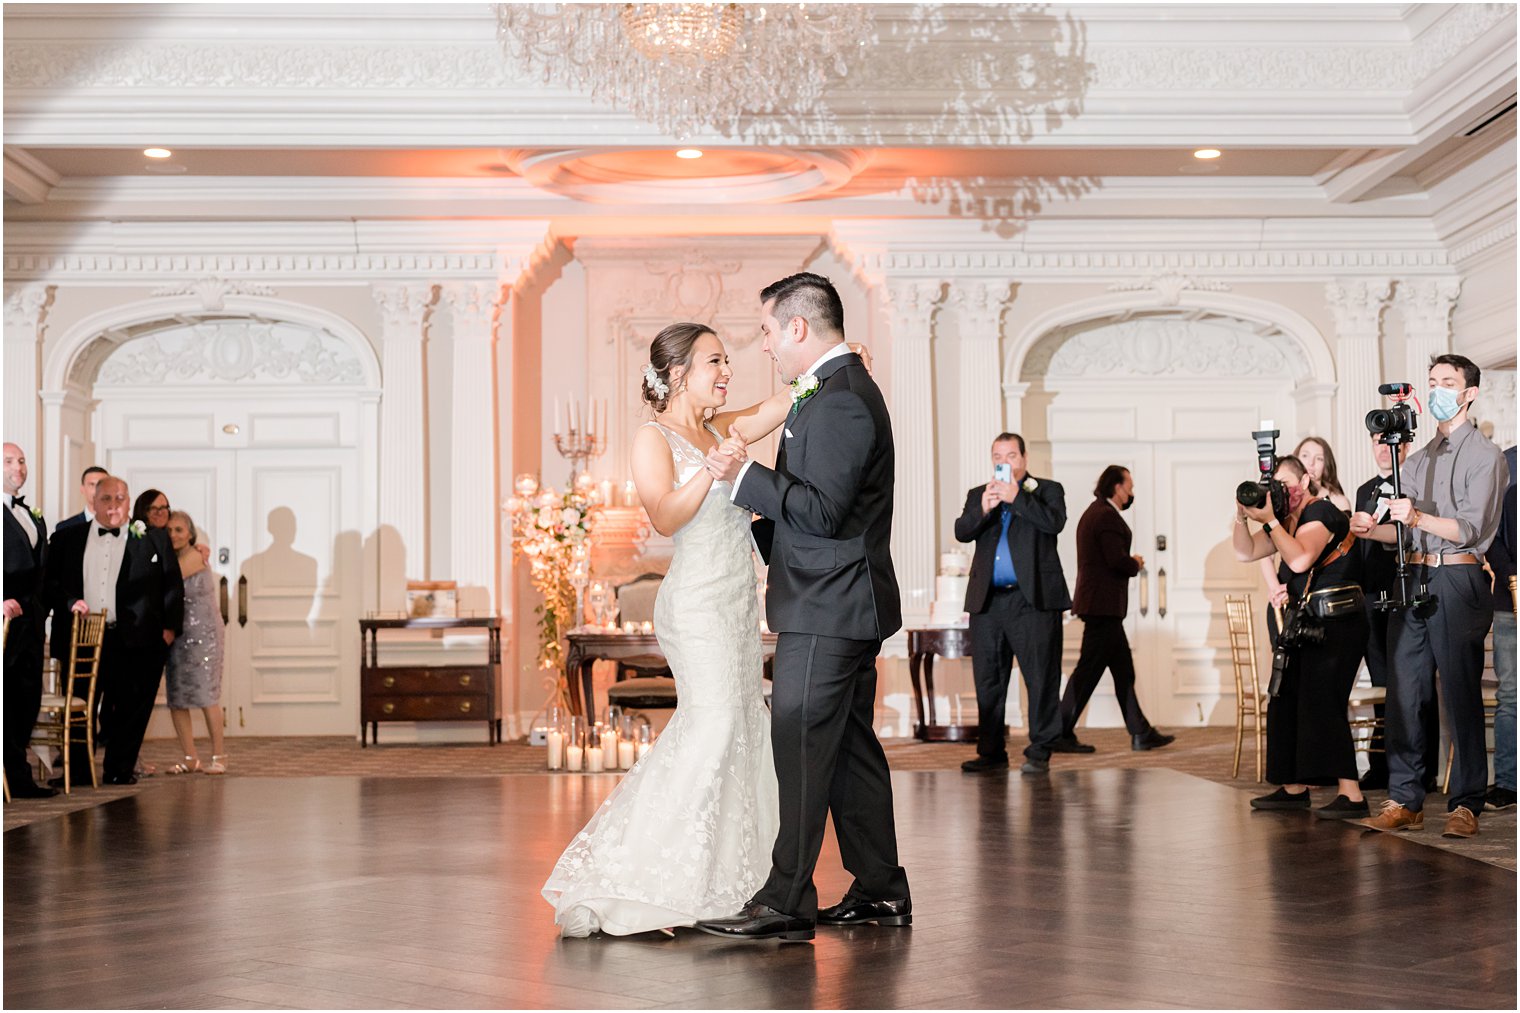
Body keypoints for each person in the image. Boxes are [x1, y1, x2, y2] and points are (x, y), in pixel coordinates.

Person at [542, 322, 791, 938]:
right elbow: (662, 514)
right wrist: (712, 470)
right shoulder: (653, 438)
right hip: (697, 605)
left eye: (728, 360)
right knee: (714, 725)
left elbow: (773, 408)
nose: (727, 370)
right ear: (679, 372)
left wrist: (831, 366)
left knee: (744, 726)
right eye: (715, 361)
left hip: (737, 603)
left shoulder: (715, 428)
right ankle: (630, 877)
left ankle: (728, 880)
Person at [697, 272, 910, 942]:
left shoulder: (843, 399)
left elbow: (823, 511)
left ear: (797, 327)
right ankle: (880, 889)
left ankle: (787, 897)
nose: (762, 346)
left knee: (797, 740)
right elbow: (818, 510)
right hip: (836, 598)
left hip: (830, 606)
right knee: (848, 749)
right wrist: (762, 517)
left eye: (765, 331)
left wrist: (743, 478)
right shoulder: (828, 391)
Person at [1351, 354, 1508, 838]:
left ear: (1469, 393)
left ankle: (1466, 804)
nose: (1438, 389)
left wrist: (1414, 518)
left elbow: (1468, 528)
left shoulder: (1487, 456)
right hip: (1412, 578)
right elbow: (1402, 530)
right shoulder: (1416, 459)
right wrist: (1368, 529)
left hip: (1457, 580)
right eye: (1433, 382)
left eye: (1448, 382)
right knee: (1405, 691)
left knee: (1459, 693)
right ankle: (1405, 797)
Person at [1234, 455, 1369, 819]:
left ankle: (1352, 794)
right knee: (1285, 696)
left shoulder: (1321, 513)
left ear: (1306, 481)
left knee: (1323, 700)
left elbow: (1299, 561)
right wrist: (1241, 516)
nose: (1283, 492)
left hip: (1338, 622)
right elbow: (1244, 551)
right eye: (1275, 486)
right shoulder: (1287, 522)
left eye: (1288, 485)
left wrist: (1273, 522)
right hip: (1307, 622)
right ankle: (1293, 787)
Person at [45, 477, 183, 786]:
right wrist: (68, 603)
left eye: (120, 498)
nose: (113, 505)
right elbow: (50, 583)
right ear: (93, 501)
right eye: (106, 498)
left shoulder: (153, 539)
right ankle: (77, 770)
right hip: (83, 637)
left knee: (131, 707)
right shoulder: (68, 538)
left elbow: (172, 585)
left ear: (129, 502)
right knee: (79, 704)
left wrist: (169, 630)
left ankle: (120, 768)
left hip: (136, 639)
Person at [953, 433, 1072, 775]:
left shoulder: (1047, 490)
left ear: (1023, 458)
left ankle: (1040, 750)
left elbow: (1054, 523)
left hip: (1032, 600)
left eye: (1010, 455)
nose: (1004, 461)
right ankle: (991, 751)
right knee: (988, 679)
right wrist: (985, 508)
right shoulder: (980, 494)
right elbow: (962, 531)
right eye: (997, 455)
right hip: (988, 603)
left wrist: (1017, 497)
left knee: (1040, 677)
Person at [1059, 465, 1173, 752]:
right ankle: (1058, 732)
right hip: (1102, 607)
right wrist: (1135, 562)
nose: (1131, 492)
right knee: (1088, 673)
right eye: (1129, 486)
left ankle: (1140, 731)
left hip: (1101, 606)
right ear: (1116, 486)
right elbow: (1114, 560)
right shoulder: (1106, 516)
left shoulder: (1096, 512)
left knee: (1123, 671)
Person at [1348, 433, 1438, 791]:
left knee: (1416, 682)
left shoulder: (1414, 484)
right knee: (1382, 683)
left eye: (1391, 443)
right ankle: (1382, 764)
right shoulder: (1364, 489)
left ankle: (1424, 768)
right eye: (1376, 443)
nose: (1384, 449)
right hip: (1372, 596)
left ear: (1404, 447)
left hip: (1408, 591)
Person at [3, 442, 58, 798]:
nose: (18, 467)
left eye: (21, 460)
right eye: (8, 461)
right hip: (4, 624)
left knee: (27, 700)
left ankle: (18, 774)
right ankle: (14, 777)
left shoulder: (32, 513)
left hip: (32, 622)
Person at [163, 510, 227, 776]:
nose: (174, 535)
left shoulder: (194, 557)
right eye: (169, 530)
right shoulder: (172, 558)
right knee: (177, 698)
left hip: (204, 636)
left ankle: (220, 755)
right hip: (178, 635)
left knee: (206, 696)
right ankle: (190, 757)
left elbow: (167, 580)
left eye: (179, 530)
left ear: (190, 534)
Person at [1486, 445, 1516, 811]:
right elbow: (1492, 540)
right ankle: (1507, 783)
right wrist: (1512, 576)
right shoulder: (1509, 492)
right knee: (1510, 696)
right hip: (1510, 604)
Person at [1294, 436, 1352, 512]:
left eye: (1319, 458)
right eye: (1305, 455)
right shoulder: (1286, 497)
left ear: (1326, 465)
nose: (1311, 462)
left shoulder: (1339, 501)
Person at [55, 465, 109, 533]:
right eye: (92, 484)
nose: (97, 489)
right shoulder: (64, 528)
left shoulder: (123, 526)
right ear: (82, 489)